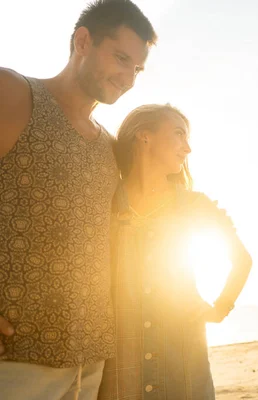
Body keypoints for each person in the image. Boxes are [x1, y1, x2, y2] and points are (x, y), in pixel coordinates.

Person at [0, 1, 156, 398]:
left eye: (137, 68)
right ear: (83, 41)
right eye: (121, 58)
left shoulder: (108, 145)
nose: (128, 78)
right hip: (15, 358)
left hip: (90, 363)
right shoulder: (14, 93)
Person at [97, 104, 253, 399]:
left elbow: (241, 260)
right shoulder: (106, 201)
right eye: (179, 135)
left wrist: (220, 307)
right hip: (120, 361)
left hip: (181, 360)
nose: (188, 148)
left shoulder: (195, 205)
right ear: (145, 136)